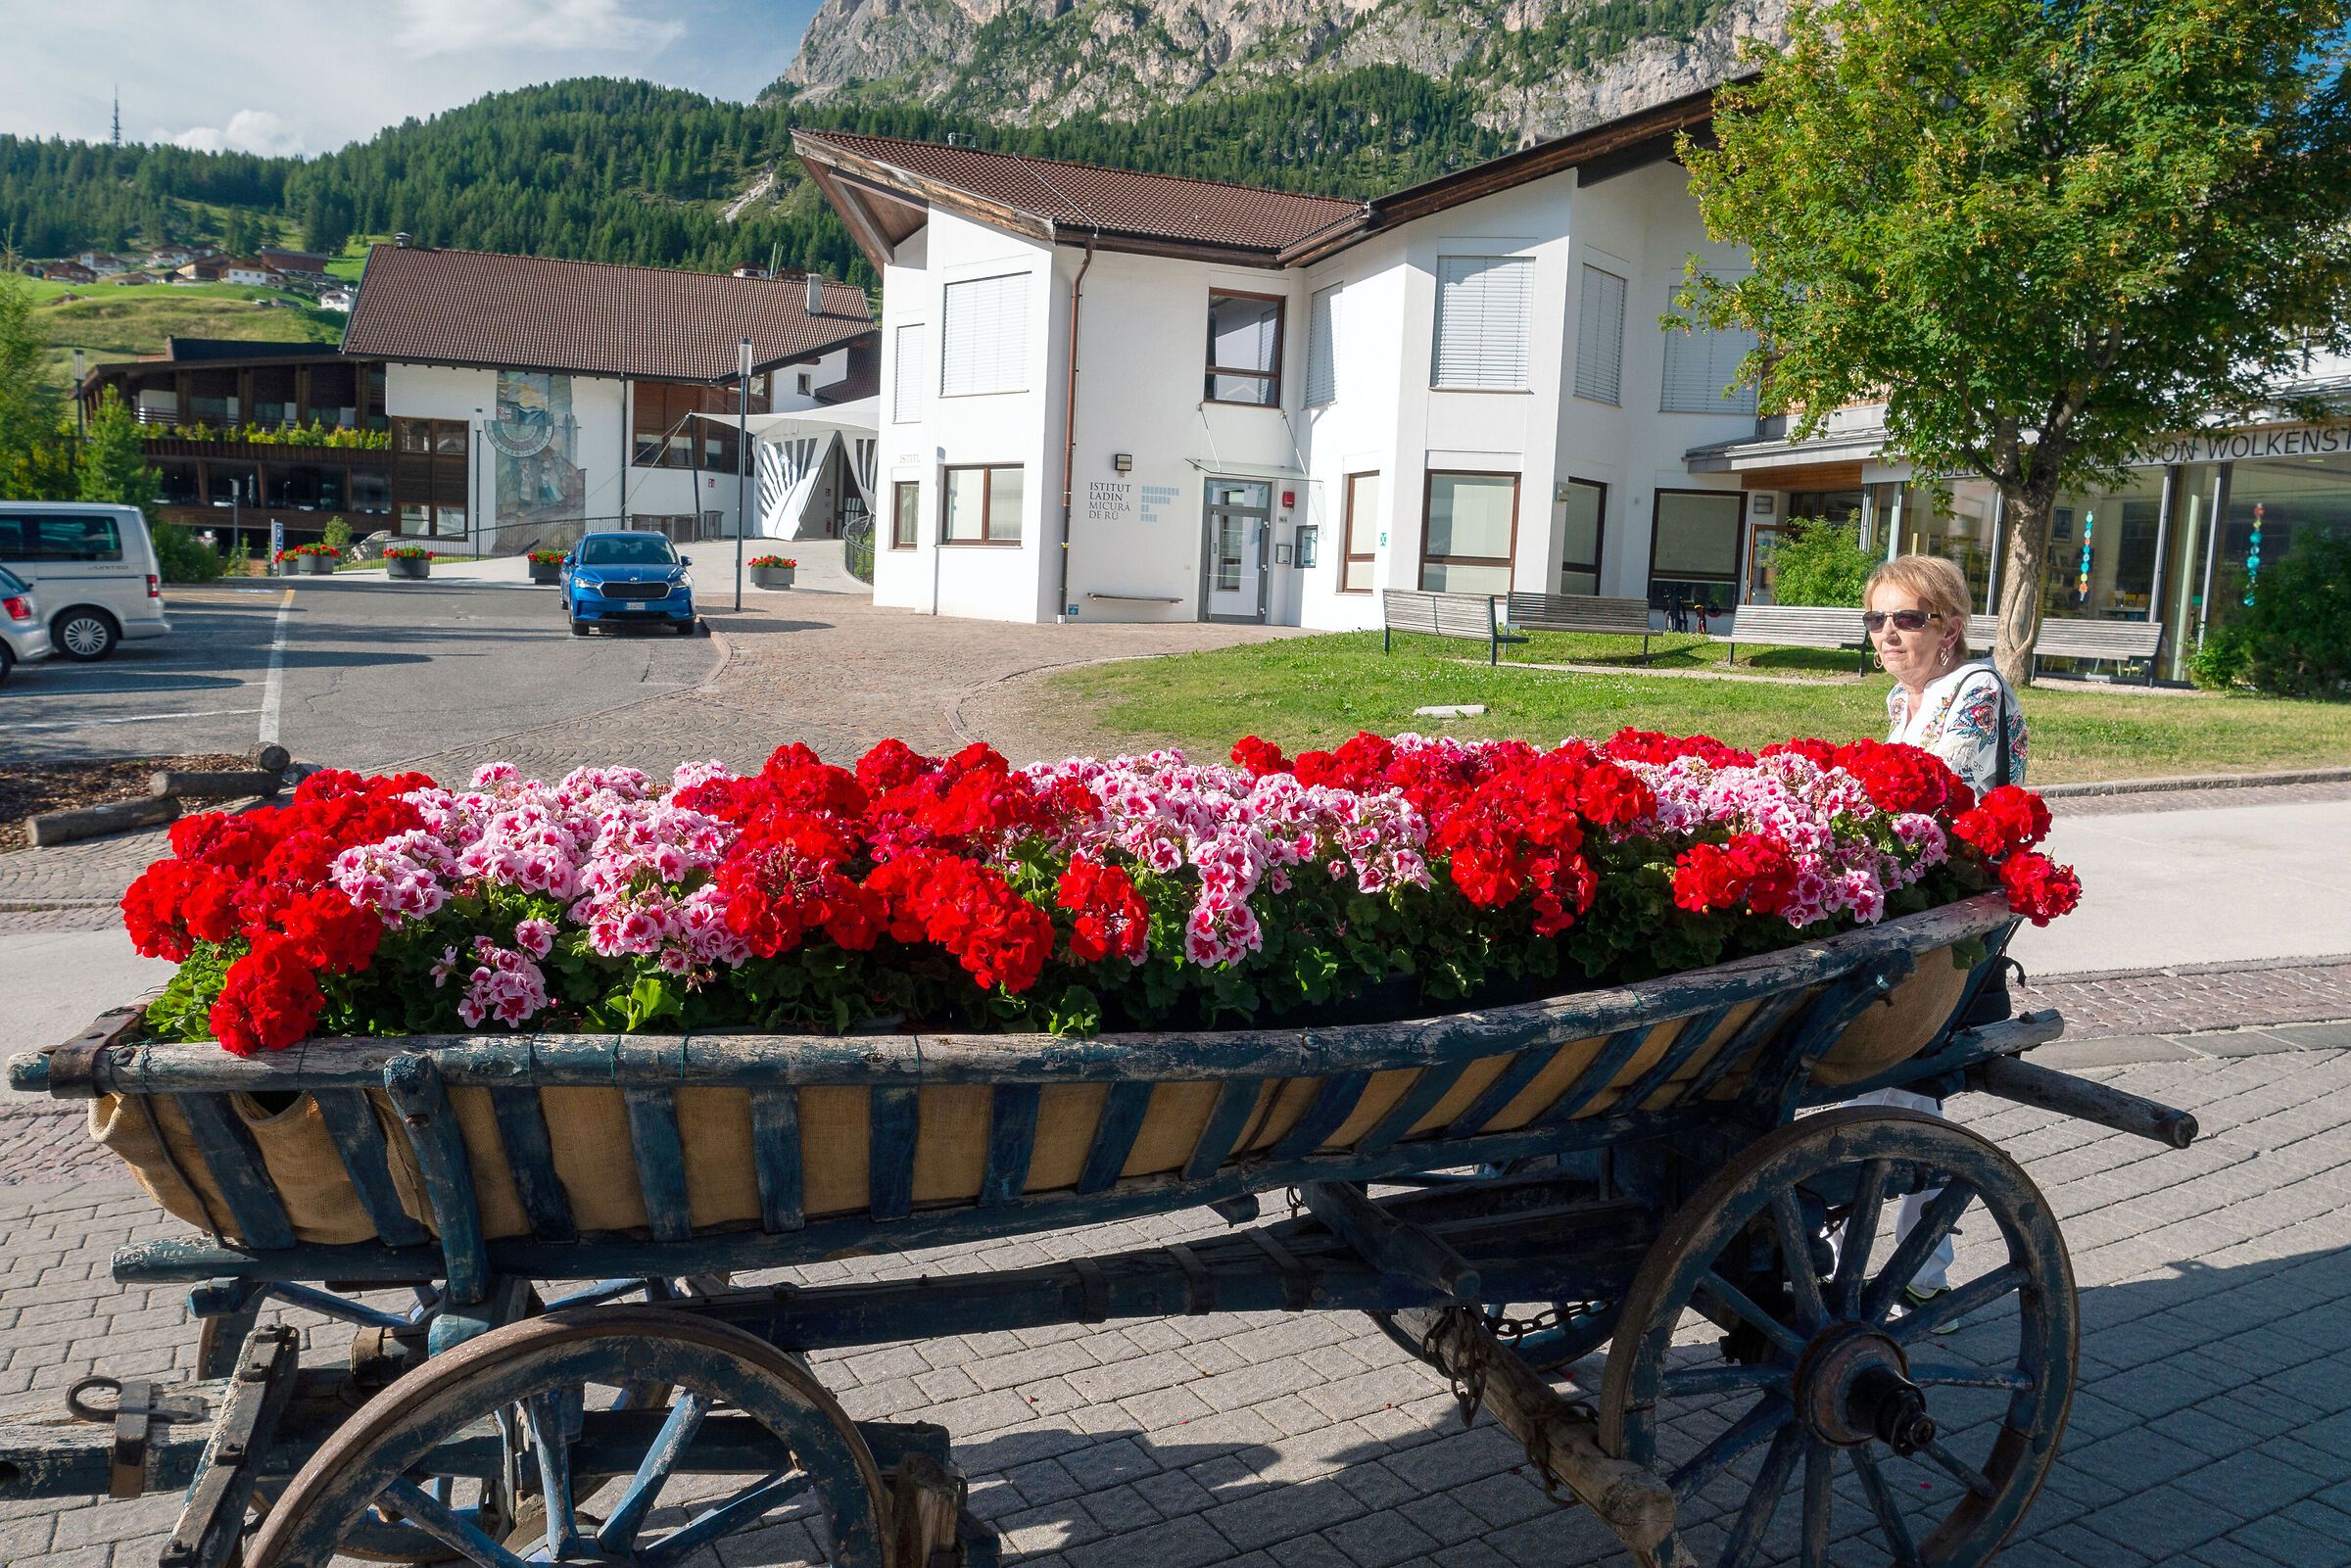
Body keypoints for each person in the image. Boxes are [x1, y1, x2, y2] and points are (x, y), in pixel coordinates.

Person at [1847, 553, 2029, 1309]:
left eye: (1907, 618)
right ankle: (1911, 1262)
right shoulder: (1906, 699)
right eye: (1877, 619)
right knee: (1898, 1080)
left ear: (1949, 626)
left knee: (1904, 1074)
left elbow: (1939, 799)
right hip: (1915, 901)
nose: (1889, 633)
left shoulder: (1975, 690)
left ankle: (1919, 1272)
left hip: (1952, 912)